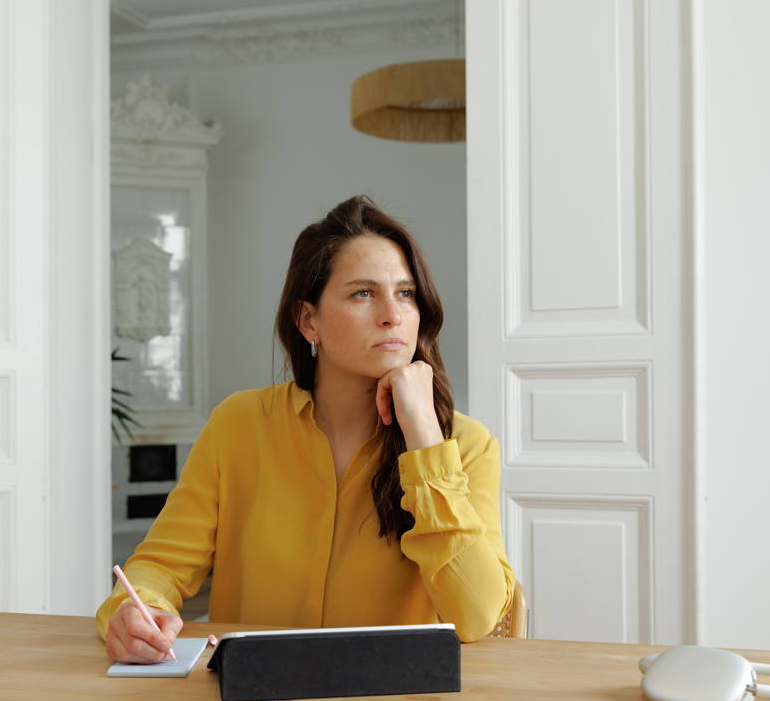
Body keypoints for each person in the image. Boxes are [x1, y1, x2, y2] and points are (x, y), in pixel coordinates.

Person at [97, 195, 515, 663]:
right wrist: (138, 610)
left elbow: (477, 615)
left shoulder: (466, 445)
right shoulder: (240, 424)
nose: (392, 315)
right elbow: (160, 565)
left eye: (406, 293)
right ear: (308, 320)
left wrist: (422, 433)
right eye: (363, 293)